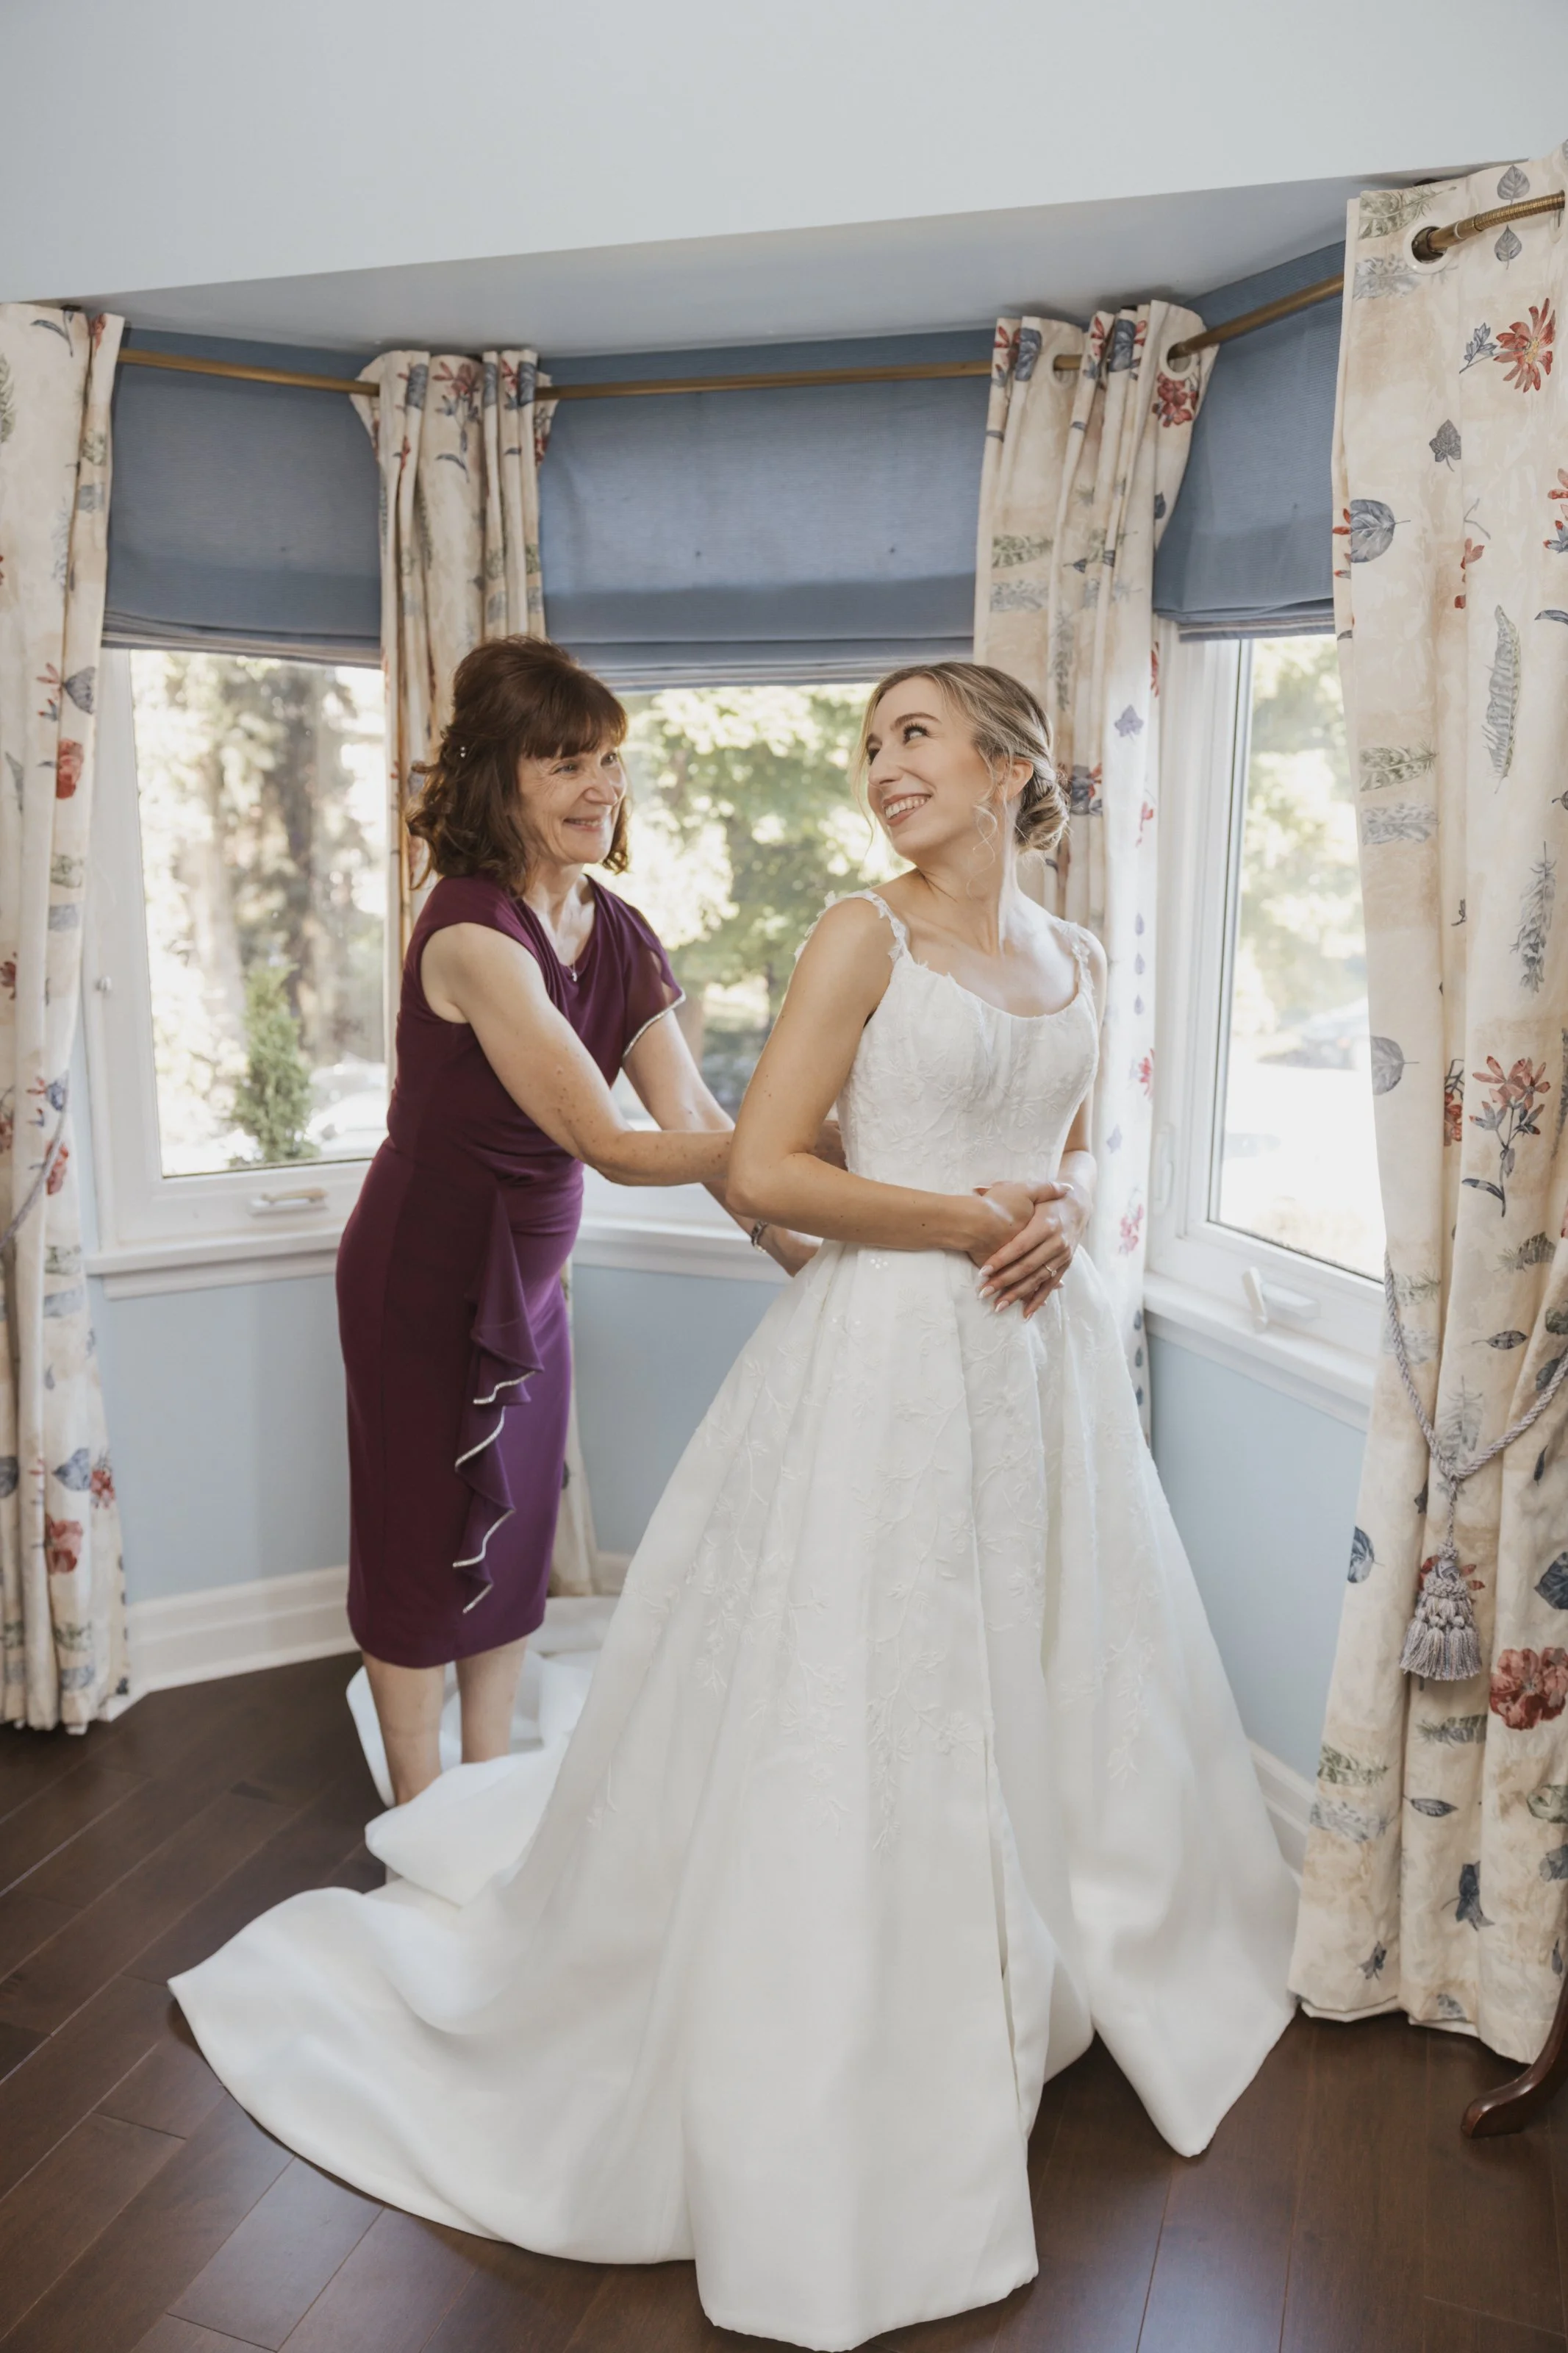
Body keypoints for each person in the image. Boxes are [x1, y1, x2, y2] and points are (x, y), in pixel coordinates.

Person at [173, 660, 1297, 2353]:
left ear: (1009, 768)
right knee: (442, 1525)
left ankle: (1004, 1939)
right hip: (467, 1252)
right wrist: (908, 1210)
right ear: (505, 777)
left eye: (912, 734)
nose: (878, 763)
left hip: (1013, 1353)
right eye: (868, 741)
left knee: (990, 1635)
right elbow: (693, 1144)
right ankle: (434, 1815)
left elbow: (813, 1137)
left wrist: (1025, 1210)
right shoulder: (574, 930)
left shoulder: (1052, 950)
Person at [334, 635, 820, 1806]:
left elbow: (693, 1119)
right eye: (566, 764)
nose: (602, 787)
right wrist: (811, 1154)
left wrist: (803, 1253)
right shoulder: (469, 933)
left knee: (513, 1529)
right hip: (422, 1275)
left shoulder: (622, 932)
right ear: (497, 778)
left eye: (608, 759)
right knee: (417, 1536)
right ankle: (421, 1816)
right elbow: (611, 1144)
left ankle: (486, 1781)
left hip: (531, 1285)